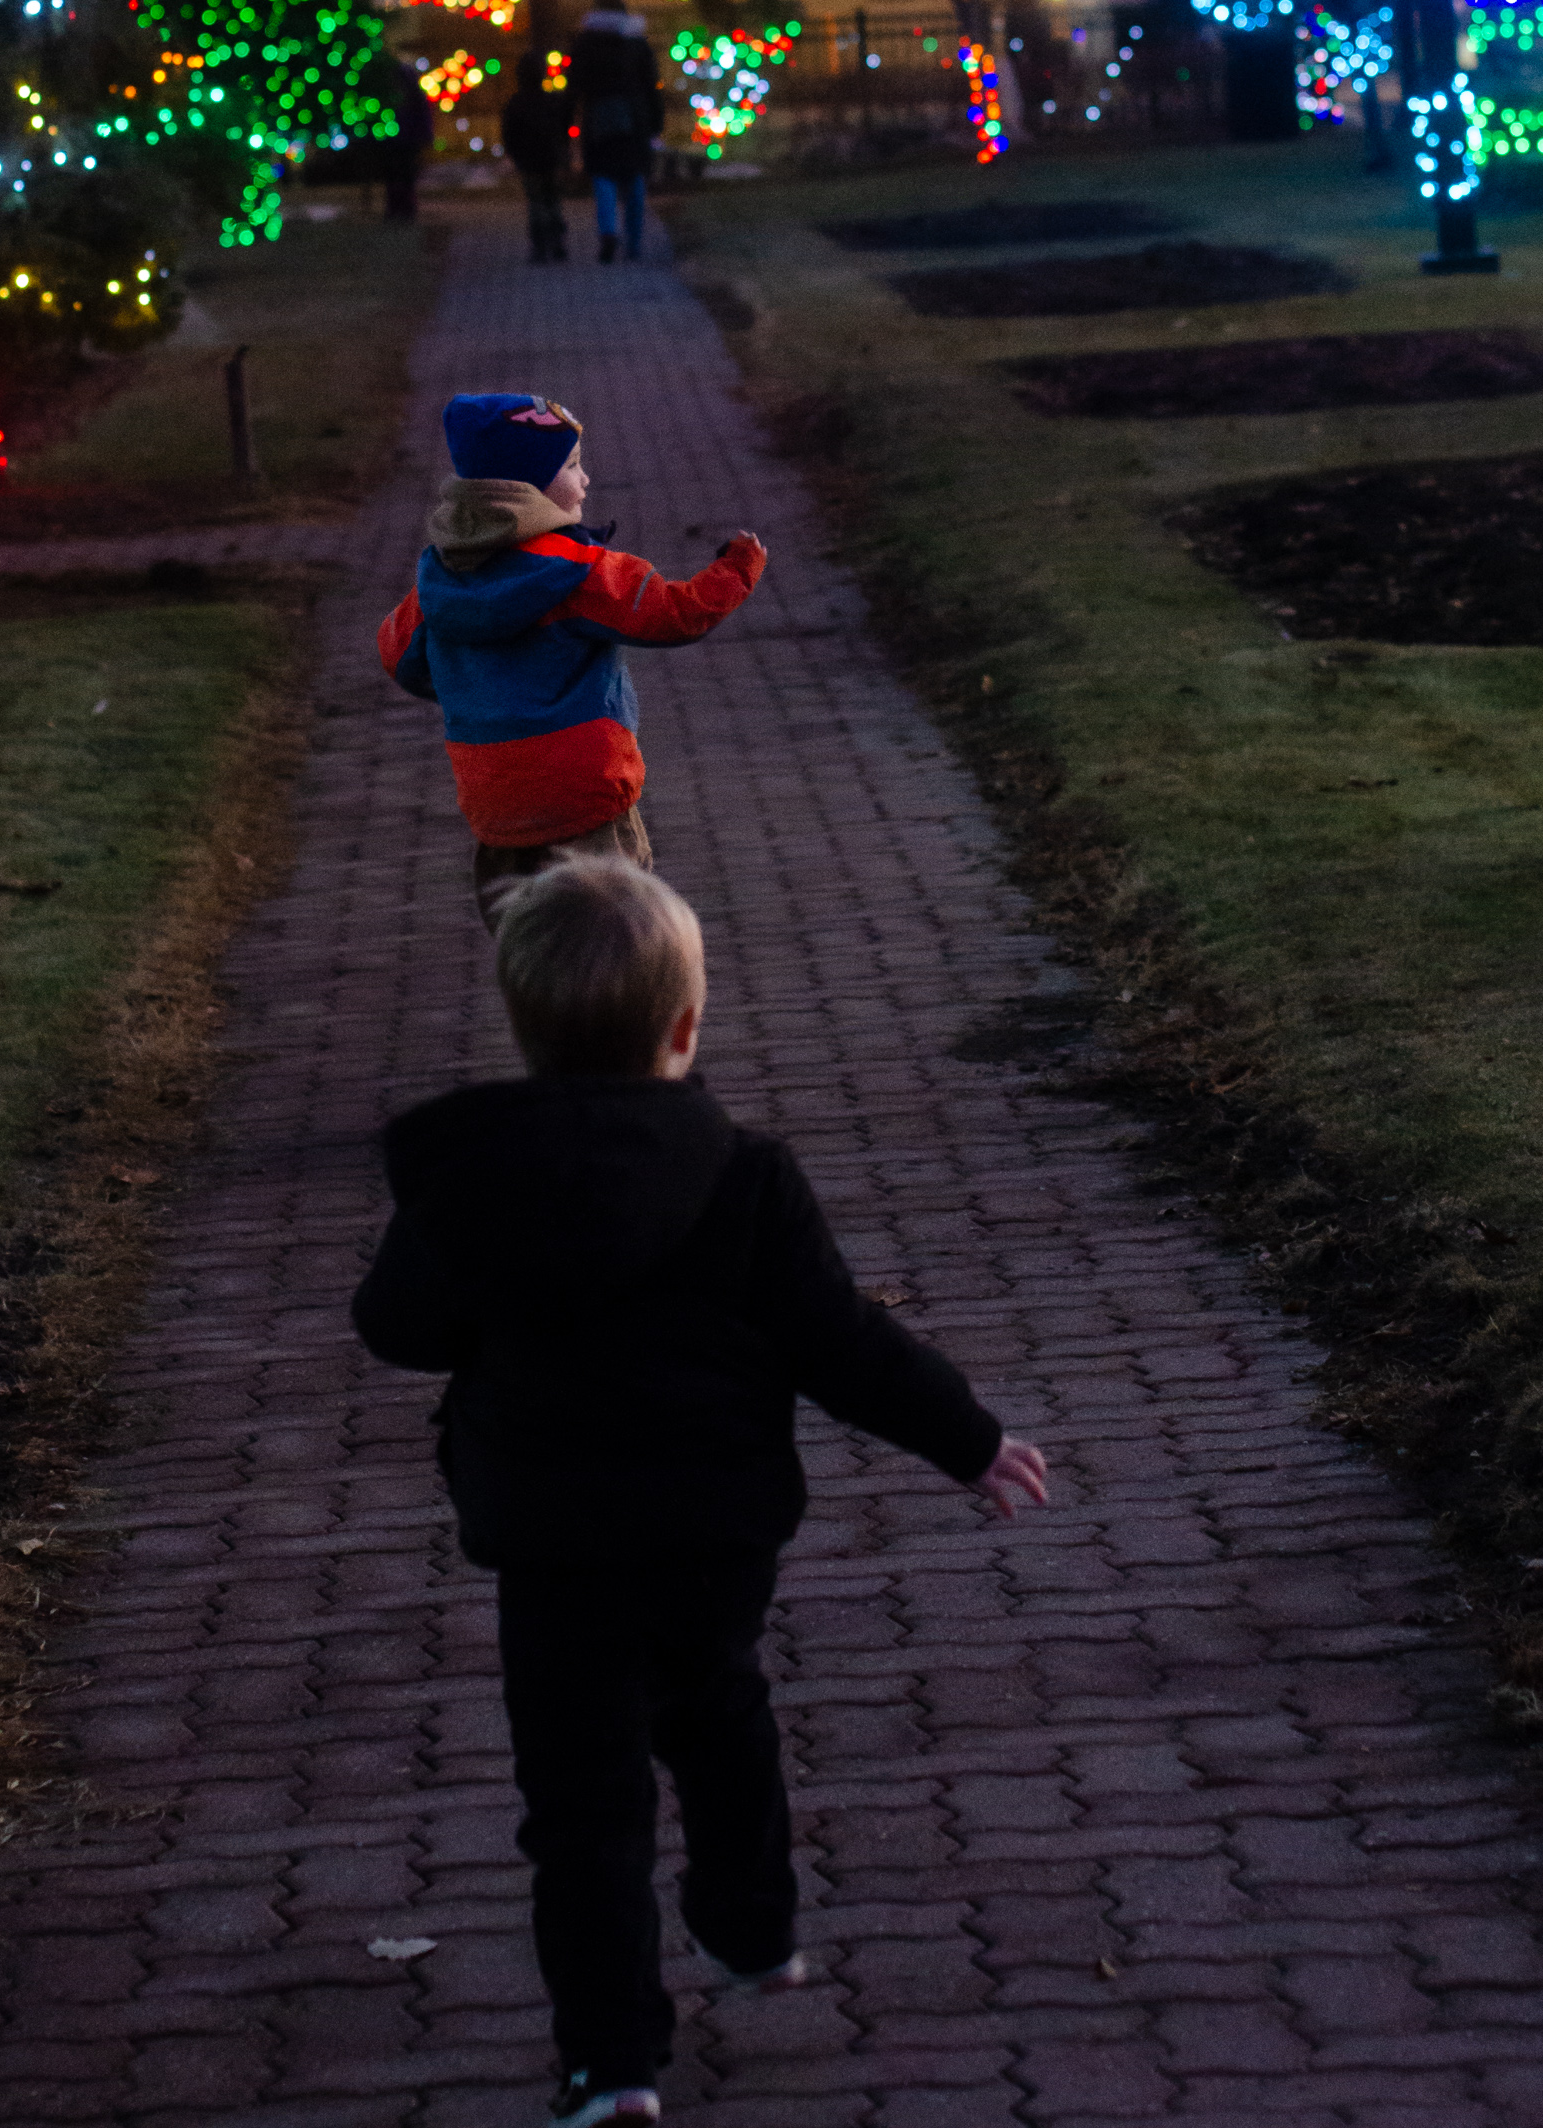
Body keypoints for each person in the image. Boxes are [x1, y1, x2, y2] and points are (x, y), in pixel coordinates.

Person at [352, 857, 1049, 2128]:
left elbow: (396, 1328)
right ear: (684, 1027)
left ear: (524, 1026)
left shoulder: (477, 1187)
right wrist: (966, 1437)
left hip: (556, 1550)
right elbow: (840, 1342)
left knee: (581, 1806)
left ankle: (610, 2063)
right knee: (719, 1713)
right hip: (712, 1533)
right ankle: (751, 1929)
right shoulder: (745, 1177)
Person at [377, 391, 765, 924]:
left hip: (496, 797)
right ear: (525, 485)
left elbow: (400, 657)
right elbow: (675, 613)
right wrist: (737, 569)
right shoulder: (577, 570)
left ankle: (543, 1005)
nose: (585, 481)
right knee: (616, 935)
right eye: (573, 465)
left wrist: (469, 682)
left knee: (528, 937)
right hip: (584, 793)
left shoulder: (440, 581)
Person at [570, 0, 658, 264]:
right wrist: (656, 121)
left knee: (603, 176)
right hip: (635, 117)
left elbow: (575, 84)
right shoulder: (636, 41)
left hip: (598, 116)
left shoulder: (585, 42)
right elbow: (650, 85)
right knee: (635, 179)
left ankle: (608, 231)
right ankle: (634, 242)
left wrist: (566, 117)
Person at [501, 48, 576, 263]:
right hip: (551, 158)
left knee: (536, 202)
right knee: (552, 200)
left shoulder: (515, 103)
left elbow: (509, 133)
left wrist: (514, 154)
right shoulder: (551, 101)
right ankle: (557, 241)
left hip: (528, 160)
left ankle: (540, 245)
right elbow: (564, 125)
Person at [380, 54, 434, 221]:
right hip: (402, 142)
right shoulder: (409, 96)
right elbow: (424, 118)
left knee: (401, 176)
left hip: (402, 142)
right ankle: (401, 207)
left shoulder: (404, 97)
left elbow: (423, 117)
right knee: (401, 176)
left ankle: (400, 208)